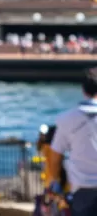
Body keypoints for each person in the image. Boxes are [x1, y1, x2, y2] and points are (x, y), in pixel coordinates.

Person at [46, 67, 97, 215]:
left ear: (83, 90)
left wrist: (55, 182)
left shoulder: (66, 119)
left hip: (81, 192)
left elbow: (55, 156)